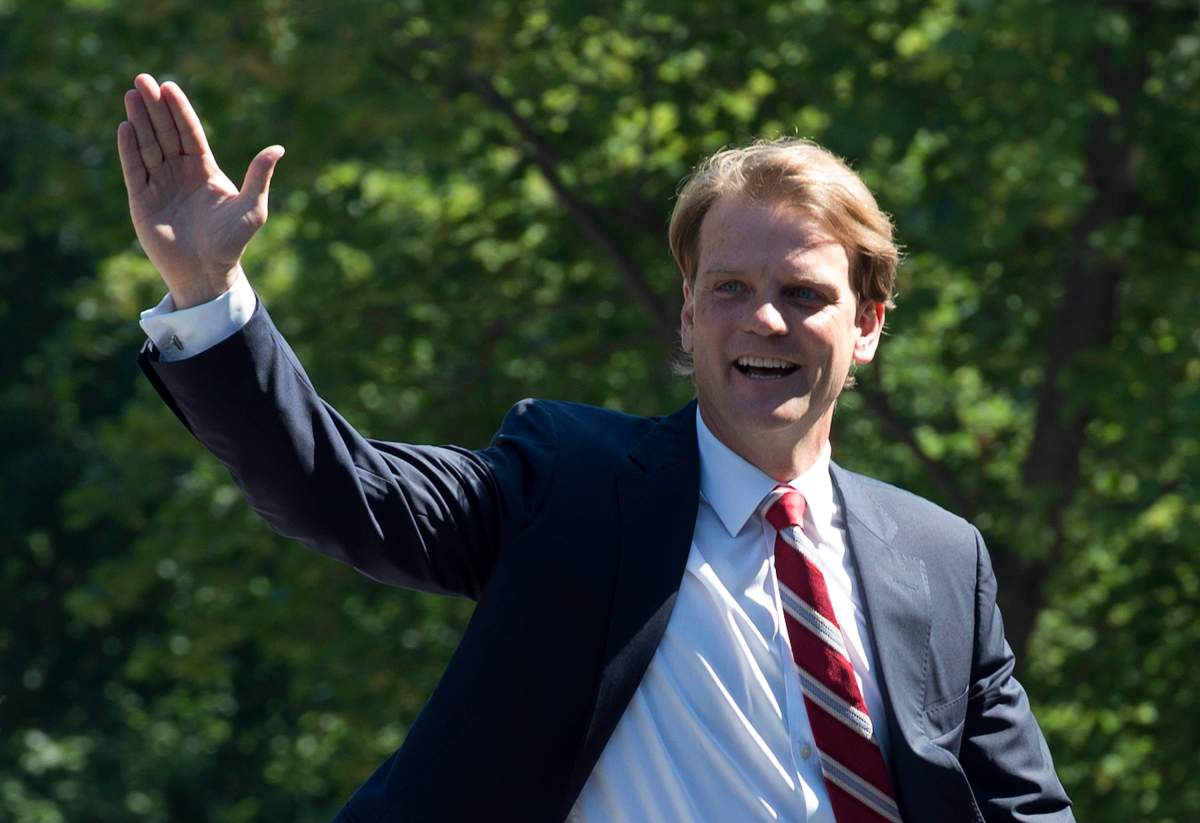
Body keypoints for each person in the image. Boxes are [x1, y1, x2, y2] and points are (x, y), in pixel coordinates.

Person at [118, 72, 1073, 822]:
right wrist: (210, 295)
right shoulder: (570, 479)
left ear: (867, 324)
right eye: (730, 289)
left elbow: (1024, 810)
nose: (765, 320)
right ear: (689, 314)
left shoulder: (945, 561)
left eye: (805, 294)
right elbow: (341, 490)